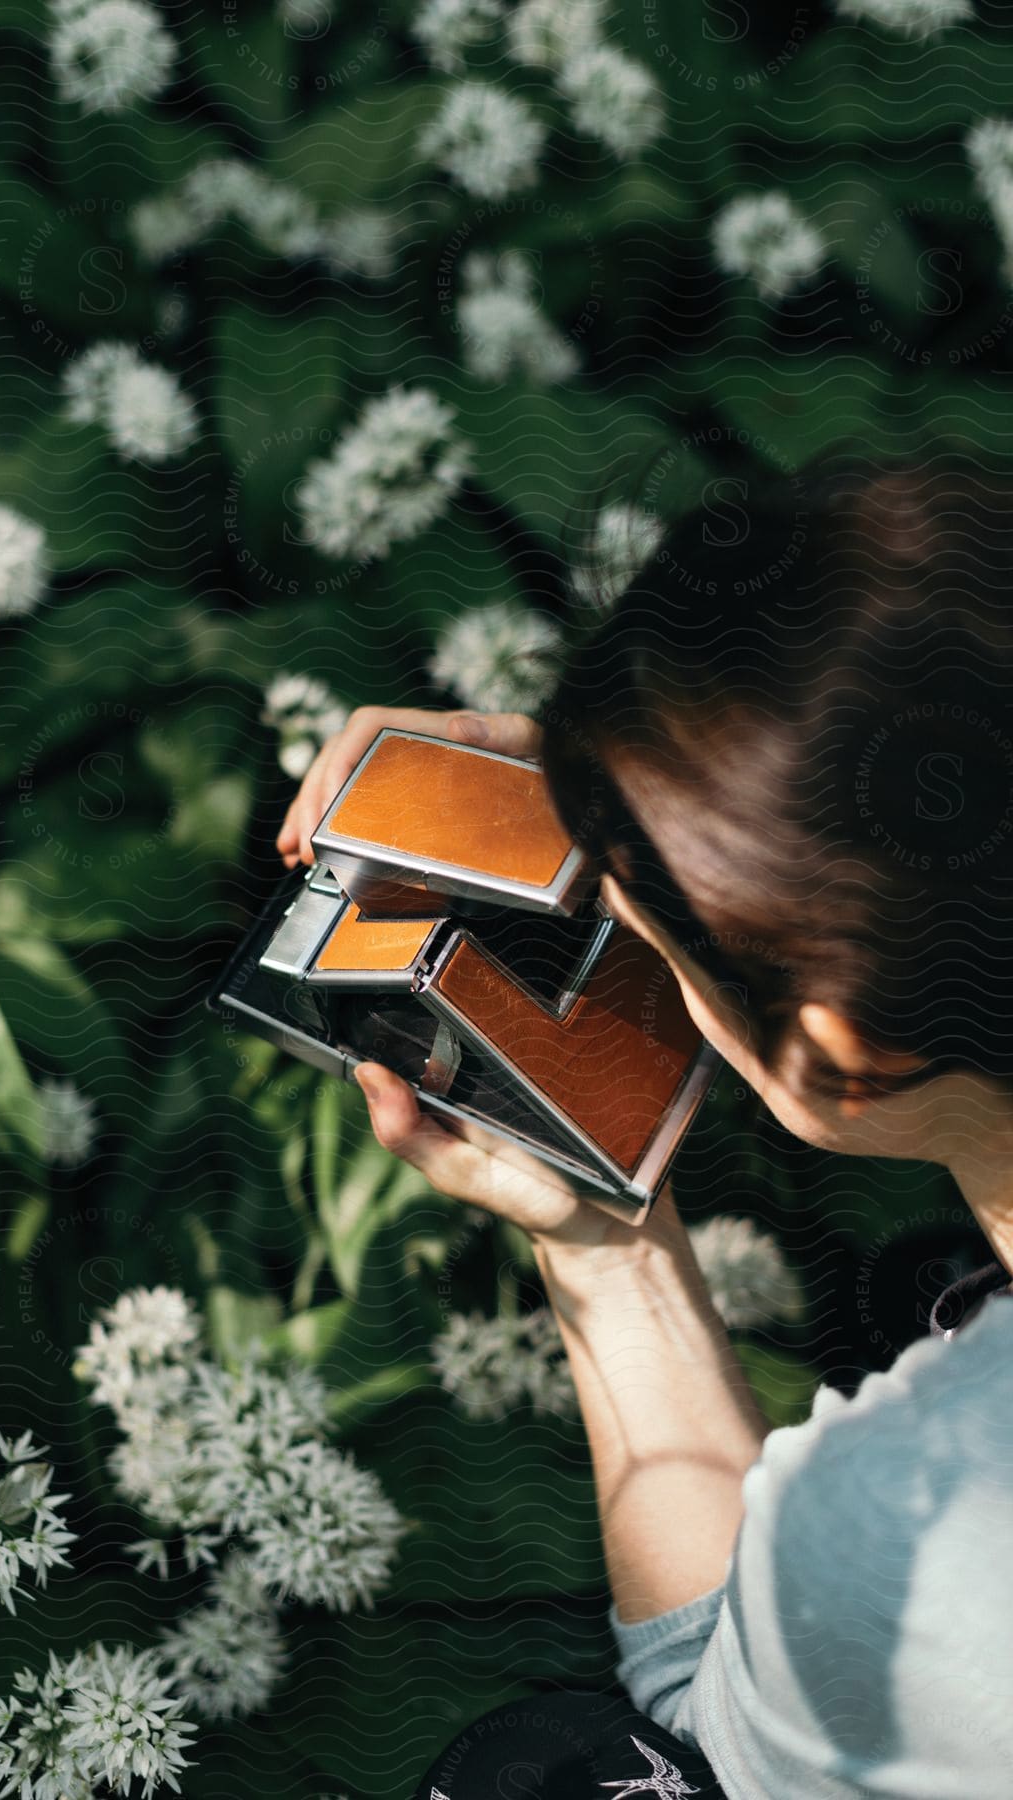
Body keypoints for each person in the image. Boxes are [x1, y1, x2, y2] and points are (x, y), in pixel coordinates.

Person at [275, 456, 1013, 1799]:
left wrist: (609, 1255)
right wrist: (681, 798)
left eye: (655, 940)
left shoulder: (910, 1537)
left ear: (836, 1058)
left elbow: (712, 1727)